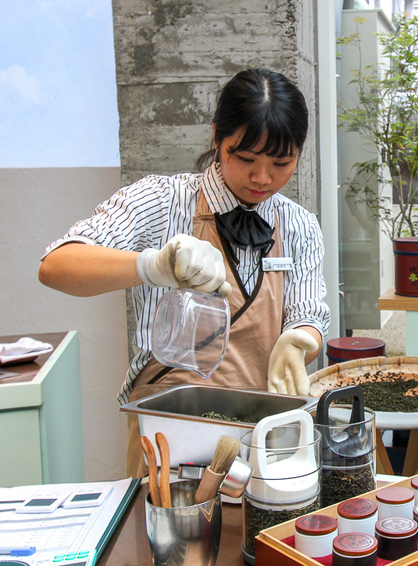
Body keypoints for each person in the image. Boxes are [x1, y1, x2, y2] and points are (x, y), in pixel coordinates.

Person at [39, 68, 331, 476]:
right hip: (170, 431)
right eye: (245, 158)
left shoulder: (300, 224)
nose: (262, 178)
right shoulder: (162, 200)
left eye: (282, 162)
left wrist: (300, 341)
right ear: (216, 138)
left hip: (265, 430)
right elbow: (56, 265)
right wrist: (151, 266)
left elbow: (308, 314)